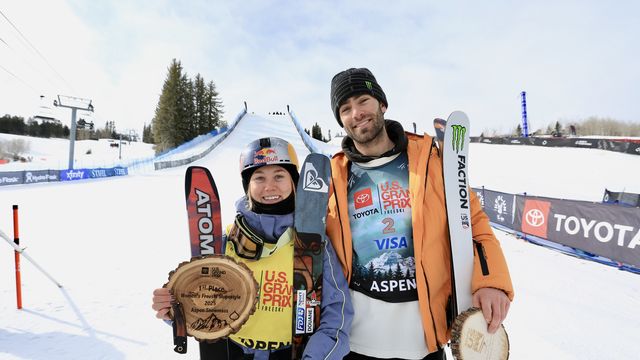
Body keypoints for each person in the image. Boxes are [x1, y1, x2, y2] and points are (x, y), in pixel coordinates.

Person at [325, 68, 514, 360]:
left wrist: (491, 281)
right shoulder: (332, 176)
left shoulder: (431, 162)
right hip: (352, 341)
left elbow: (473, 223)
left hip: (423, 340)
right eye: (346, 109)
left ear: (382, 104)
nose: (356, 113)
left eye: (363, 101)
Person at [152, 137, 353, 359]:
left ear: (294, 182)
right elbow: (197, 301)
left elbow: (337, 313)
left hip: (294, 354)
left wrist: (315, 356)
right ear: (248, 185)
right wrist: (173, 309)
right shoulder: (224, 242)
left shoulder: (313, 243)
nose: (270, 186)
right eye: (259, 178)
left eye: (279, 176)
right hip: (234, 352)